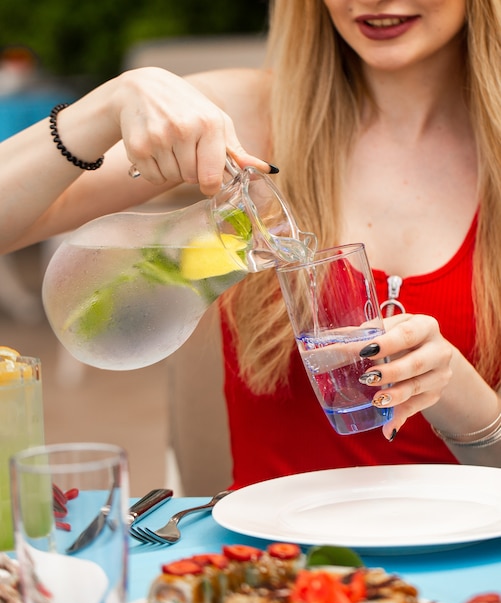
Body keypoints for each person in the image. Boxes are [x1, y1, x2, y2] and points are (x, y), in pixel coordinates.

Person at [1, 0, 500, 489]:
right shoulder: (250, 120)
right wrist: (106, 106)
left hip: (468, 565)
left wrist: (456, 388)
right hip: (271, 563)